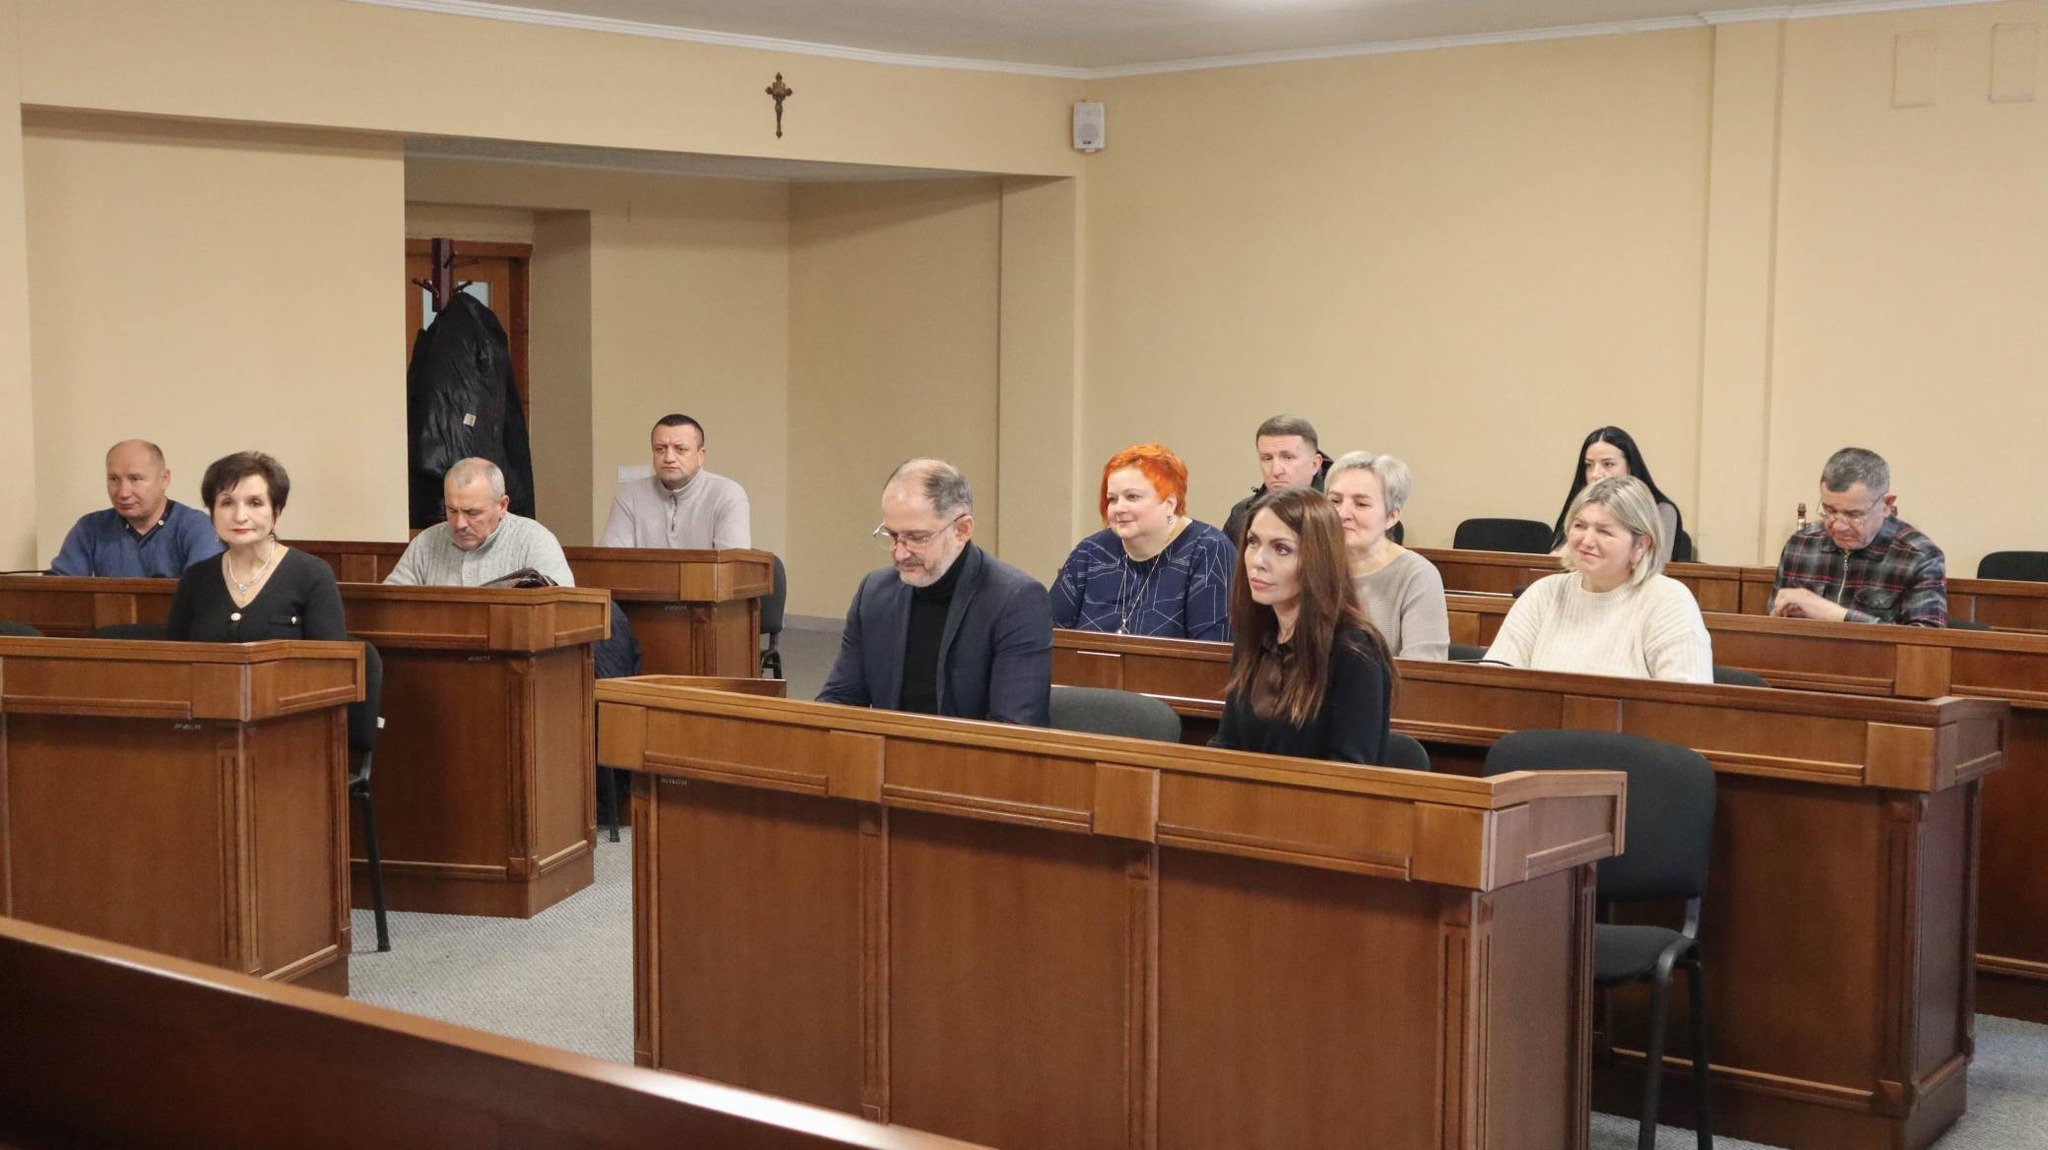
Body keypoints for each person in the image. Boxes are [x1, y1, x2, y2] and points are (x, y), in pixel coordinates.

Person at [818, 458, 1053, 726]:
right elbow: (840, 699)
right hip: (888, 751)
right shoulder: (874, 593)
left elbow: (1013, 729)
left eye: (917, 538)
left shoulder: (1016, 601)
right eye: (893, 536)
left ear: (962, 530)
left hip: (968, 753)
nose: (900, 553)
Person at [1210, 487, 1397, 766]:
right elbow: (1227, 744)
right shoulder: (1257, 635)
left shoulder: (1355, 650)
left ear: (1317, 560)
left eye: (1281, 549)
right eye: (1253, 542)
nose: (1258, 561)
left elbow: (1349, 772)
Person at [1487, 476, 1712, 682]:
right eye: (1579, 526)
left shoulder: (1668, 601)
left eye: (1604, 531)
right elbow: (1493, 681)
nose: (1586, 541)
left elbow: (1688, 705)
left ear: (1640, 545)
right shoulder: (1543, 594)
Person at [1050, 444, 1236, 641]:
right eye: (1112, 499)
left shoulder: (1209, 550)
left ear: (1169, 504)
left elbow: (1212, 650)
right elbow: (1047, 635)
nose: (1119, 508)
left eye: (1132, 497)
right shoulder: (1089, 552)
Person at [165, 452, 346, 643]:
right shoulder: (196, 578)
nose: (240, 516)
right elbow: (173, 656)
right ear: (212, 512)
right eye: (227, 503)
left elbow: (330, 659)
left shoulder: (312, 574)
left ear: (276, 512)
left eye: (255, 503)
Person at [1770, 447, 1946, 626]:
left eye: (1853, 514)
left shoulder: (1919, 556)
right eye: (1829, 510)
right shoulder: (1801, 544)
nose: (1838, 526)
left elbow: (1925, 639)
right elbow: (1774, 625)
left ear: (1886, 505)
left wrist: (1833, 614)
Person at [1325, 451, 1448, 660]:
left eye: (1361, 504)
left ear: (1391, 516)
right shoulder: (1308, 563)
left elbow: (1423, 671)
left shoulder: (1417, 575)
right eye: (1335, 501)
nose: (1342, 514)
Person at [385, 457, 575, 587]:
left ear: (502, 505)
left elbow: (562, 610)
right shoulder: (426, 543)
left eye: (472, 513)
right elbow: (391, 606)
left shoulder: (533, 540)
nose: (459, 524)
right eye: (452, 510)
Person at [49, 440, 222, 577]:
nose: (123, 492)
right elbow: (58, 590)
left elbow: (203, 592)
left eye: (135, 479)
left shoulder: (197, 527)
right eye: (114, 479)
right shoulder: (90, 528)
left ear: (164, 479)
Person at [599, 413, 752, 550]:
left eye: (680, 449)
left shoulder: (727, 495)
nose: (669, 458)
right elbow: (611, 562)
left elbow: (732, 567)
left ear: (701, 455)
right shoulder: (630, 496)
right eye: (660, 449)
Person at [1547, 427, 1686, 565]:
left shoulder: (1661, 510)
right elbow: (1552, 562)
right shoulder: (1581, 509)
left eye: (1608, 464)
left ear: (1630, 467)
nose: (1596, 474)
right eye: (1589, 465)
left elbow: (1655, 565)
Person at [1221, 414, 1331, 546]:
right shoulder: (1242, 514)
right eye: (1267, 458)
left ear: (1315, 464)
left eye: (1288, 457)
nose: (1276, 471)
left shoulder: (1338, 513)